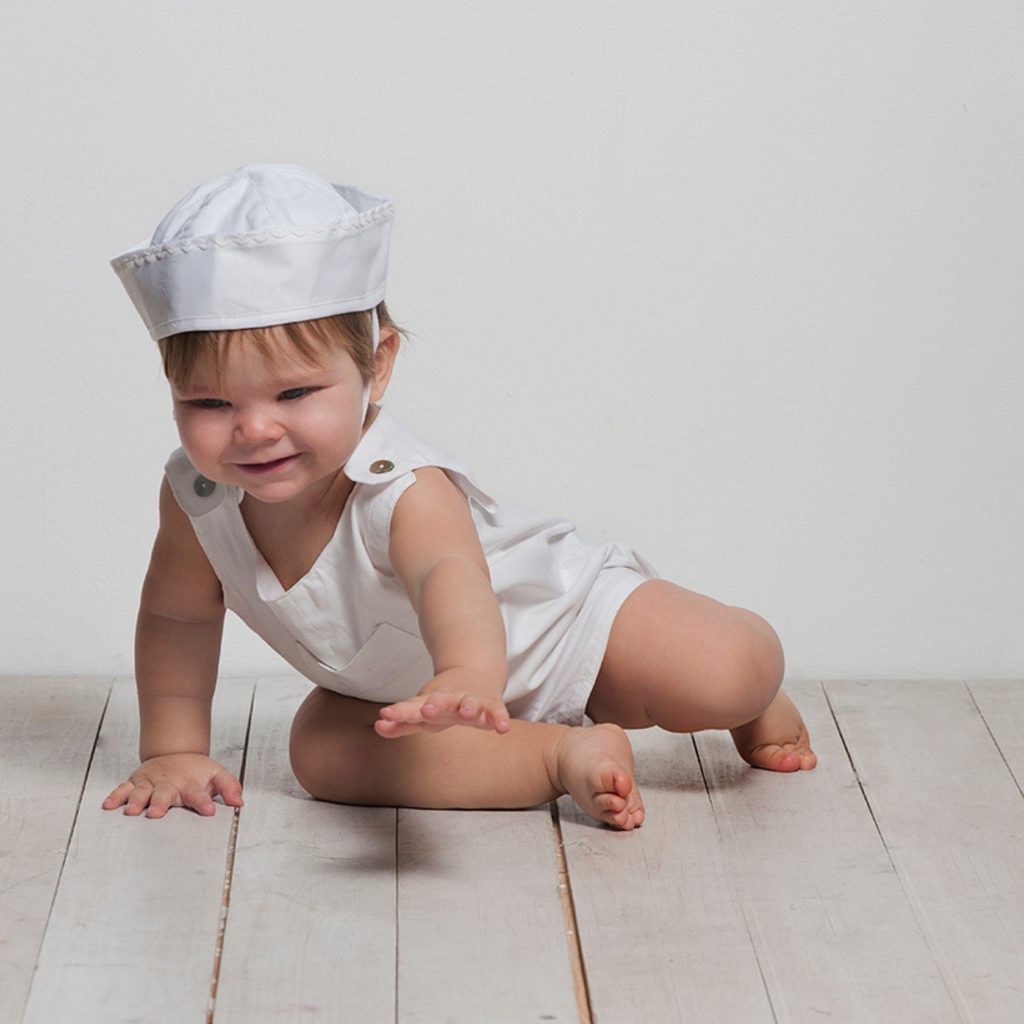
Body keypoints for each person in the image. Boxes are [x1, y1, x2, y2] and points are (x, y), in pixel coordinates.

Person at [103, 164, 816, 832]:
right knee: (321, 753)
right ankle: (558, 755)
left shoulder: (401, 484)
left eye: (294, 393)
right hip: (422, 699)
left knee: (723, 671)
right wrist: (173, 749)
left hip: (558, 628)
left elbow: (449, 577)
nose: (254, 429)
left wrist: (470, 671)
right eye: (210, 402)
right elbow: (176, 617)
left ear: (376, 367)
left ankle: (757, 694)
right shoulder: (198, 500)